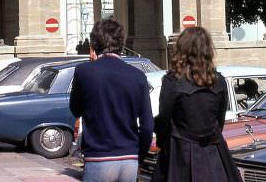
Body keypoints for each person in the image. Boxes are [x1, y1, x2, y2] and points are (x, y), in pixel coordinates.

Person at [153, 27, 242, 182]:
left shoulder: (172, 81)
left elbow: (164, 119)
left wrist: (163, 143)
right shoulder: (219, 81)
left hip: (180, 153)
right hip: (213, 152)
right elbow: (219, 122)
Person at [69, 19, 153, 182]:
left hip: (98, 157)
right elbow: (147, 126)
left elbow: (75, 109)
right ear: (121, 44)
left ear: (93, 45)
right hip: (129, 158)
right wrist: (138, 156)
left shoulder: (84, 72)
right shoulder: (138, 76)